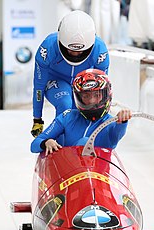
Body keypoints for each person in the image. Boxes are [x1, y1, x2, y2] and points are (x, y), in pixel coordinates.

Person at [31, 10, 110, 138]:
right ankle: (59, 144)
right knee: (65, 104)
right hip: (56, 81)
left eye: (81, 51)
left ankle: (81, 142)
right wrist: (37, 119)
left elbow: (103, 89)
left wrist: (104, 121)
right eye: (69, 50)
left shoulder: (100, 51)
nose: (75, 54)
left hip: (83, 83)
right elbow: (39, 86)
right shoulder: (47, 49)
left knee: (84, 109)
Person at [31, 69, 133, 155]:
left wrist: (123, 120)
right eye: (86, 96)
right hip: (69, 171)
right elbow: (35, 145)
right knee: (83, 142)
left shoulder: (111, 123)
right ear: (78, 97)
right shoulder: (67, 117)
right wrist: (46, 142)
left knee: (84, 142)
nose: (92, 101)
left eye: (96, 95)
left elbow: (118, 131)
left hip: (99, 174)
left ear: (106, 95)